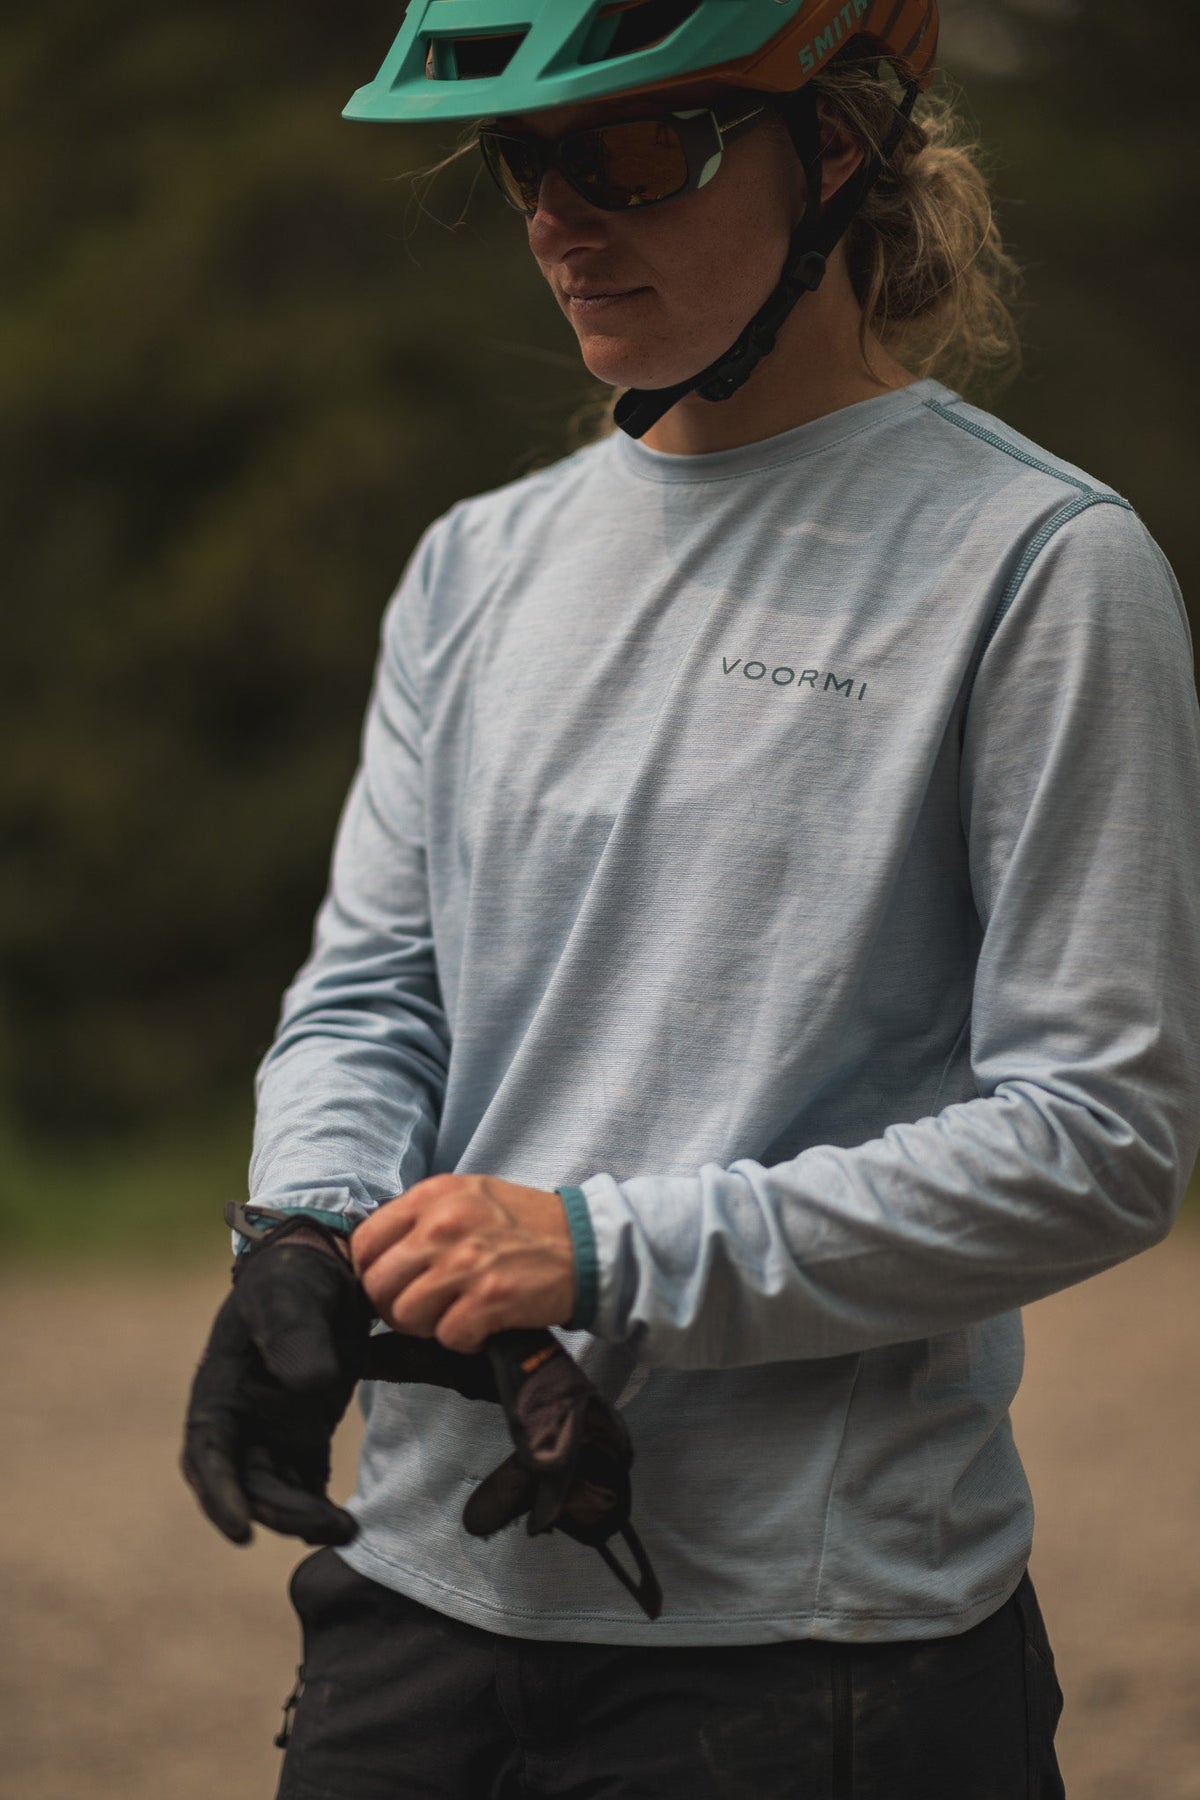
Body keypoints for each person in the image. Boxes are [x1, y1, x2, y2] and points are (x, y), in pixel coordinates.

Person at [182, 2, 1200, 1795]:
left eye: (630, 152)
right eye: (526, 160)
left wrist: (597, 1250)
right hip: (418, 1596)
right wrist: (305, 1236)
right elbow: (375, 995)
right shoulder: (475, 564)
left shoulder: (1041, 566)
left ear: (835, 148)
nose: (559, 217)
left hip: (817, 1648)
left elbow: (1099, 1138)